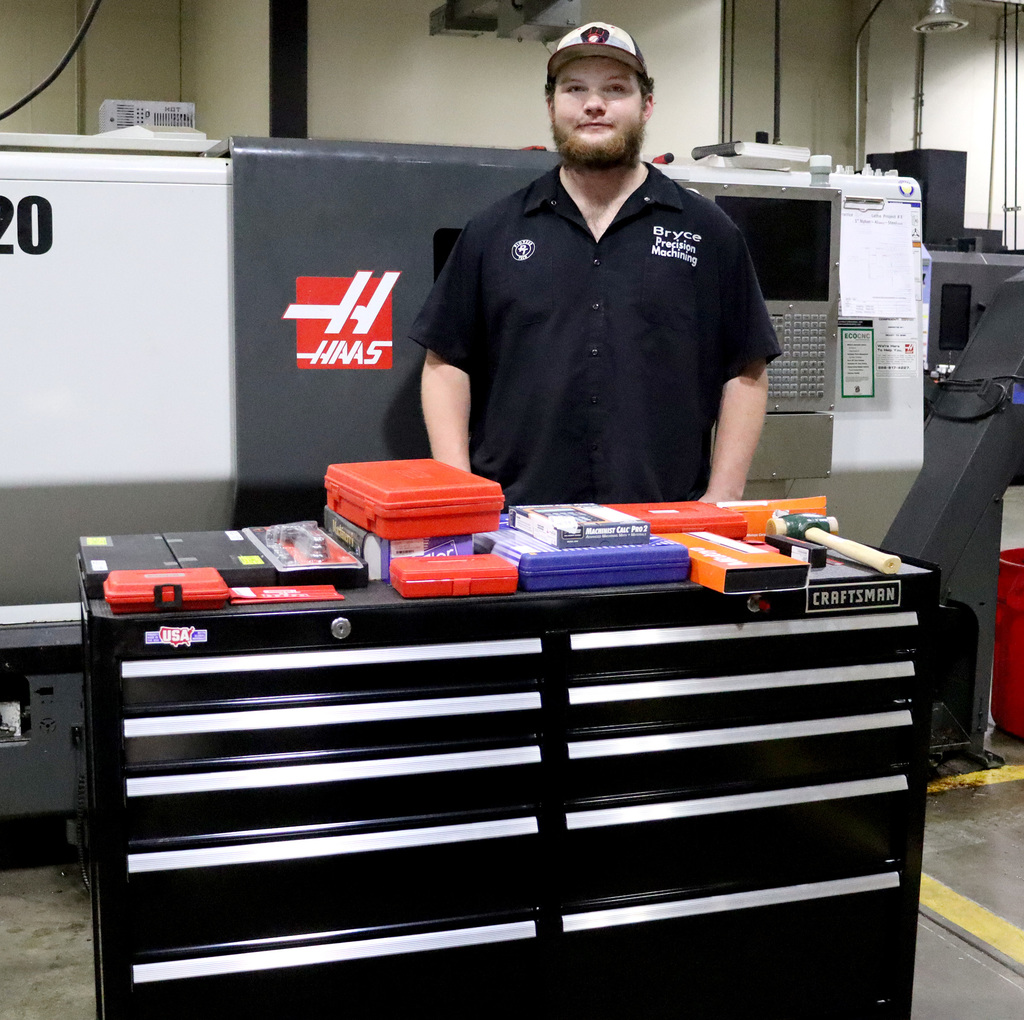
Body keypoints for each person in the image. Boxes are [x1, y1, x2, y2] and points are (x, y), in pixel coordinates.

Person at [410, 22, 780, 506]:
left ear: (646, 105)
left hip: (664, 523)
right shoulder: (494, 231)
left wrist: (723, 496)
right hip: (516, 527)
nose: (594, 104)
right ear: (551, 105)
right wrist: (461, 492)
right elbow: (445, 363)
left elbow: (746, 368)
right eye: (575, 88)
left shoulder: (708, 233)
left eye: (615, 89)